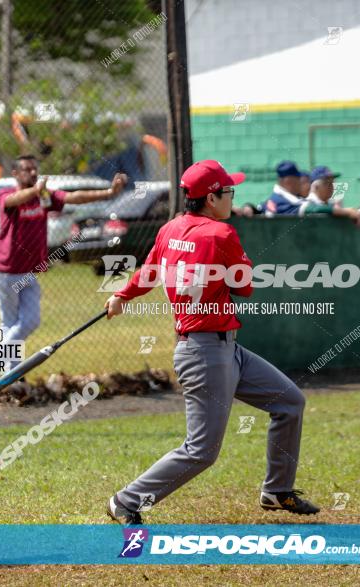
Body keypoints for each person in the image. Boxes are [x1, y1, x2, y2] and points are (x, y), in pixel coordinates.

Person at [103, 160, 319, 524]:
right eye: (229, 191)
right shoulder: (222, 234)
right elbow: (245, 287)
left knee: (289, 402)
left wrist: (122, 295)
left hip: (223, 348)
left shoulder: (171, 228)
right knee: (201, 450)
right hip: (205, 353)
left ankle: (276, 490)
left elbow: (150, 270)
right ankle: (127, 500)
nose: (233, 196)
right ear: (211, 197)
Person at [0, 155, 127, 377]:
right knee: (11, 323)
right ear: (15, 173)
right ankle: (11, 373)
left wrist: (109, 193)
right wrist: (35, 191)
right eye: (27, 170)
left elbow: (74, 197)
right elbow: (12, 200)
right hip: (4, 270)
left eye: (35, 169)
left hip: (27, 272)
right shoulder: (6, 194)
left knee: (29, 321)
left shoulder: (43, 196)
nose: (33, 173)